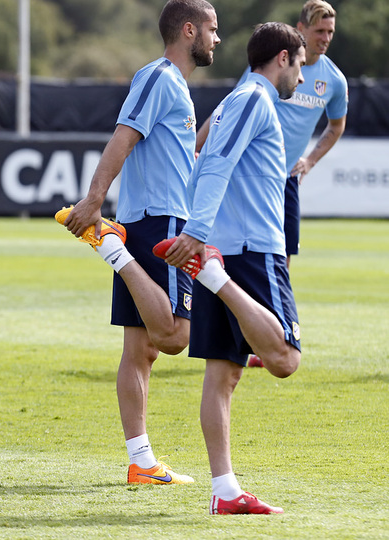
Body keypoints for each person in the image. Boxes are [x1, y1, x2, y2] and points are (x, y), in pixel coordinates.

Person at [56, 0, 219, 484]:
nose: (216, 39)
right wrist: (93, 200)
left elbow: (171, 153)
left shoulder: (174, 86)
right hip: (158, 223)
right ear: (188, 30)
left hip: (147, 219)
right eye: (212, 29)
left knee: (139, 350)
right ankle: (111, 248)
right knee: (174, 337)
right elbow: (123, 137)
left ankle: (141, 462)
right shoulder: (159, 77)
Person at [159, 21, 305, 514]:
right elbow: (216, 161)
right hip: (248, 250)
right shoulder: (255, 99)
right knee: (285, 359)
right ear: (282, 58)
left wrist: (197, 230)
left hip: (226, 245)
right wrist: (198, 235)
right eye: (300, 65)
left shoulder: (233, 101)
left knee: (222, 376)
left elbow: (201, 157)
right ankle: (214, 278)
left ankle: (224, 492)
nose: (301, 79)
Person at [196, 0, 347, 270]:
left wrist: (310, 161)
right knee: (235, 248)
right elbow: (230, 108)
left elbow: (336, 126)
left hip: (286, 175)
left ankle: (273, 302)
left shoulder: (334, 80)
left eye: (331, 32)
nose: (326, 38)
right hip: (251, 174)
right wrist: (195, 146)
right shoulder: (271, 68)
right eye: (319, 31)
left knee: (281, 255)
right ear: (301, 28)